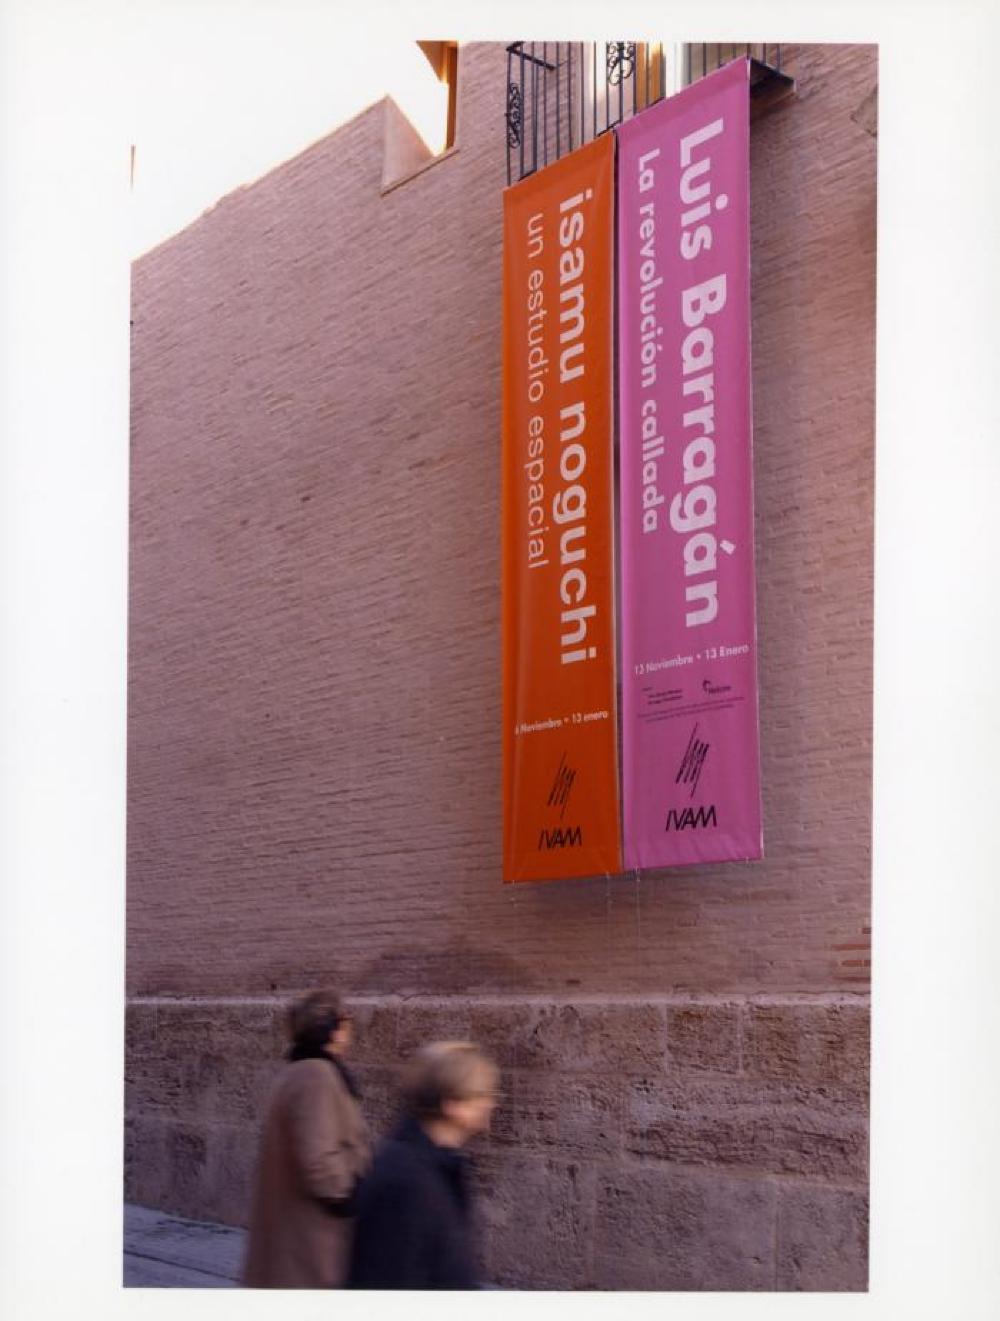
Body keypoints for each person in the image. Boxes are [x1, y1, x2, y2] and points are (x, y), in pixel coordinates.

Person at [242, 989, 370, 1288]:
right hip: (312, 1243)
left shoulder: (296, 1072)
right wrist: (352, 1200)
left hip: (295, 1236)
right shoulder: (317, 1077)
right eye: (346, 1020)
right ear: (333, 1029)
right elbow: (321, 1162)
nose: (350, 1028)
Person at [347, 1040, 498, 1290]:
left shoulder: (433, 1166)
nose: (491, 1103)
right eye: (482, 1094)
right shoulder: (406, 1181)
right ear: (453, 1104)